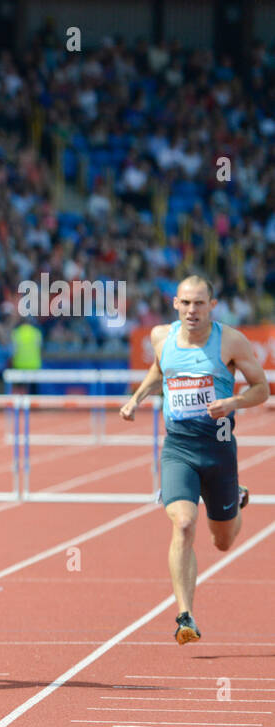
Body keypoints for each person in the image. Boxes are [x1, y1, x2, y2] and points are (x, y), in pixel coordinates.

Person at [119, 275, 269, 644]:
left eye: (199, 303)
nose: (192, 310)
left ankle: (236, 498)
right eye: (186, 303)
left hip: (219, 453)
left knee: (223, 542)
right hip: (179, 449)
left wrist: (232, 403)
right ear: (175, 304)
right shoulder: (161, 337)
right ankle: (185, 616)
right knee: (184, 524)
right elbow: (159, 370)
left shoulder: (230, 340)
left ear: (212, 305)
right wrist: (137, 399)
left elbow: (261, 387)